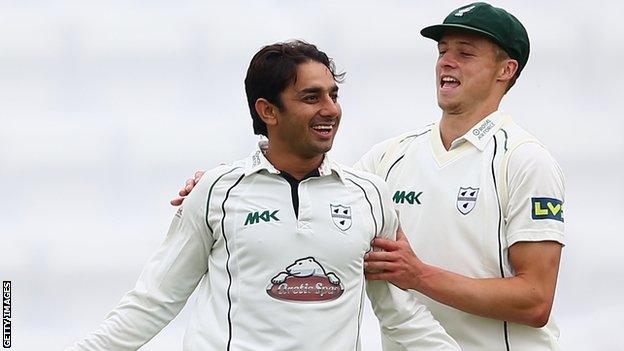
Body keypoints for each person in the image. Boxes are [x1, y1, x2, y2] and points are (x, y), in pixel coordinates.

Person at [173, 3, 565, 351]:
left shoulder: (525, 160)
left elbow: (534, 301)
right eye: (443, 51)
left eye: (465, 53)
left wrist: (420, 276)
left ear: (506, 69)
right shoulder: (390, 157)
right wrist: (223, 186)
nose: (447, 62)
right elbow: (308, 190)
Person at [67, 40, 459, 351]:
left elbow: (399, 314)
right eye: (311, 97)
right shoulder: (216, 191)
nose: (331, 109)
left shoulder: (370, 195)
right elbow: (154, 301)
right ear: (268, 111)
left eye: (333, 95)